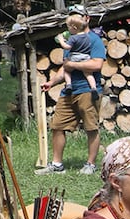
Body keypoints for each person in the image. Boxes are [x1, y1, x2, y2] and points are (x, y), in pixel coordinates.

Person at [36, 12, 105, 176]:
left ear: (87, 19)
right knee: (57, 126)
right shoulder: (71, 40)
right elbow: (65, 67)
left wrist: (73, 64)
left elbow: (97, 64)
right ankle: (57, 164)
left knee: (91, 128)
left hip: (88, 90)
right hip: (68, 90)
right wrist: (52, 82)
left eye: (80, 17)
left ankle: (90, 164)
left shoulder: (94, 40)